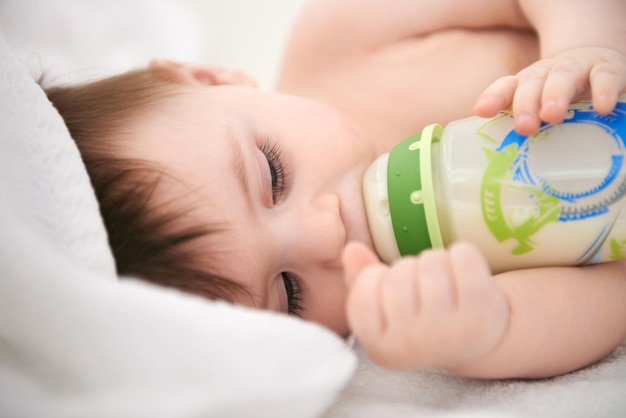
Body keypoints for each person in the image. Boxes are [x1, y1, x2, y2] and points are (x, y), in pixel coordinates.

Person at [44, 0, 626, 379]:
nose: (326, 233)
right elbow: (610, 294)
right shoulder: (416, 296)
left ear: (208, 78)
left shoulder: (344, 37)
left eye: (273, 174)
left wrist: (585, 45)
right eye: (290, 294)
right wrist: (489, 331)